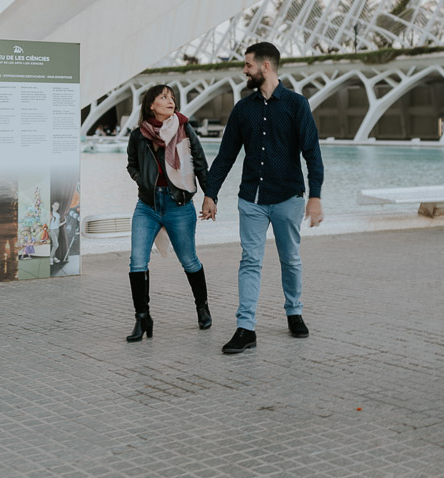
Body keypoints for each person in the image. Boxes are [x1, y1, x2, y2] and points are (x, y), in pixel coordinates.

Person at [201, 42, 324, 355]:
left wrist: (315, 197)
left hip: (288, 198)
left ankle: (294, 312)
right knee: (250, 261)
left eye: (248, 65)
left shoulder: (297, 105)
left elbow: (312, 152)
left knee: (290, 259)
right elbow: (226, 154)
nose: (244, 70)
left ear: (265, 67)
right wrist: (210, 193)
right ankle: (246, 328)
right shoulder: (243, 109)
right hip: (251, 200)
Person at [125, 83, 213, 342]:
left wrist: (210, 196)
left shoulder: (184, 129)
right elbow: (131, 165)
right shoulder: (138, 135)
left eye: (172, 97)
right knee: (137, 262)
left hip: (179, 205)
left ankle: (202, 307)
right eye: (163, 97)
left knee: (189, 261)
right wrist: (143, 181)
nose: (170, 100)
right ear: (151, 104)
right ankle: (142, 318)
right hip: (147, 206)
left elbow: (200, 163)